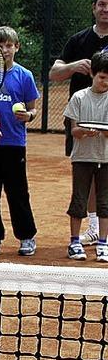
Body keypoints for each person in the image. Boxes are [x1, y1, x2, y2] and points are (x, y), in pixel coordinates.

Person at [49, 0, 108, 246]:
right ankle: (95, 228)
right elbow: (54, 72)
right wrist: (73, 67)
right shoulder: (78, 40)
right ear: (94, 8)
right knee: (87, 170)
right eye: (102, 4)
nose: (105, 9)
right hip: (82, 116)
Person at [0, 26, 40, 256]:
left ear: (16, 47)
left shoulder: (24, 75)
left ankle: (27, 237)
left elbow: (33, 109)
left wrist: (28, 116)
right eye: (0, 45)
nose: (5, 49)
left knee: (18, 193)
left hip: (15, 143)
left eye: (9, 45)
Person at [62, 51, 108, 261]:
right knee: (79, 200)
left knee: (104, 203)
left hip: (105, 158)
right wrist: (85, 131)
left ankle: (103, 243)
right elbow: (74, 130)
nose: (106, 82)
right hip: (82, 158)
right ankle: (74, 242)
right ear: (92, 73)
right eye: (102, 77)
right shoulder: (79, 97)